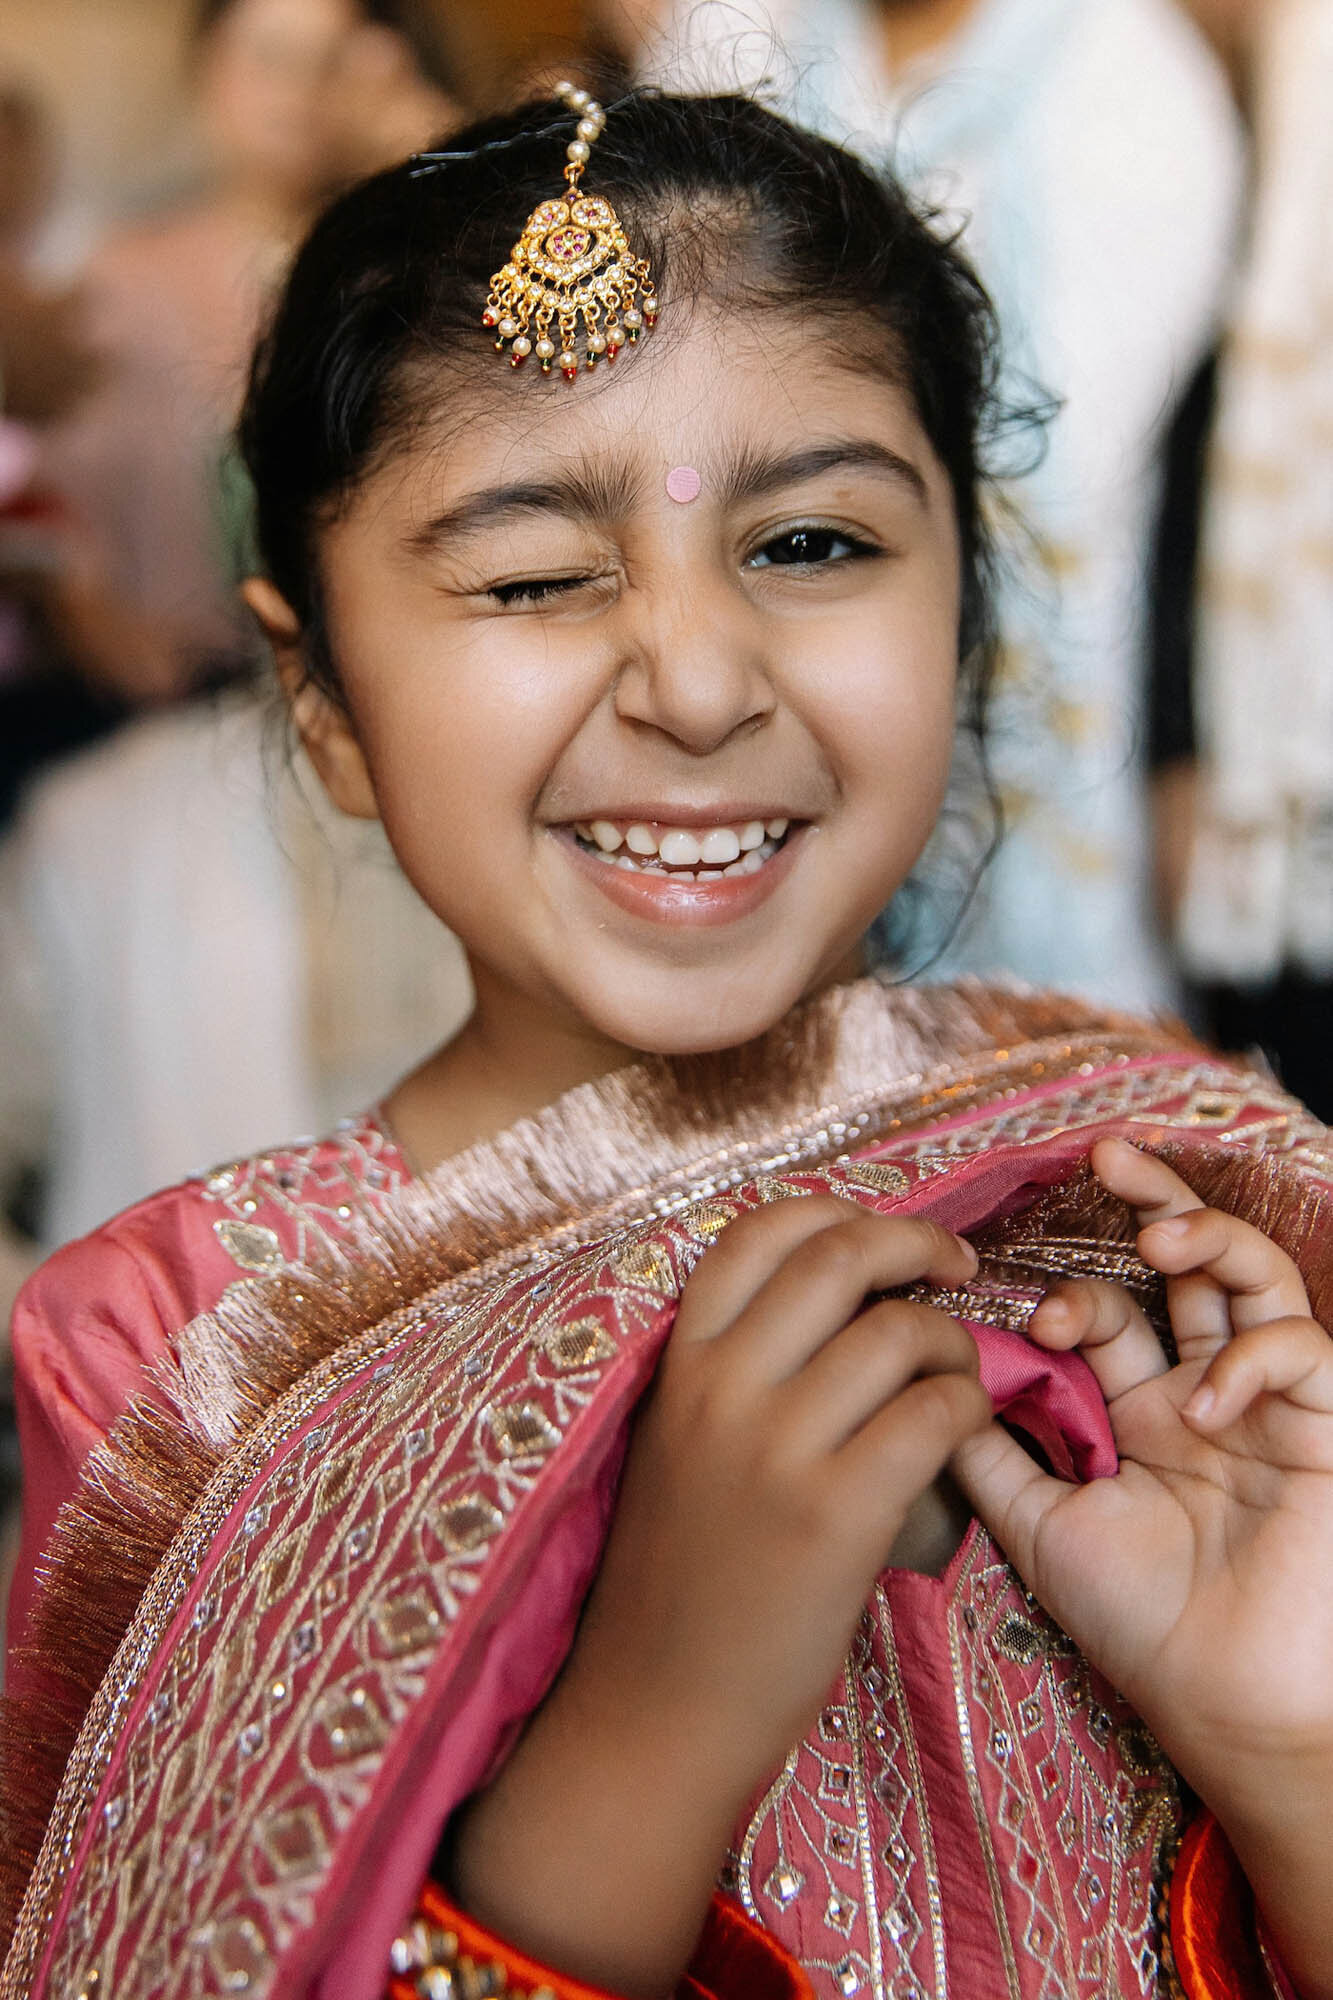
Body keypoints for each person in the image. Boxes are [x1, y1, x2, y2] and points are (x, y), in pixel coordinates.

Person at [1, 87, 1331, 2000]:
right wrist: (660, 1710)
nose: (698, 685)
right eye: (534, 576)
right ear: (329, 705)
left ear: (962, 627)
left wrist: (1286, 1753)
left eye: (807, 545)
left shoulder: (1174, 1204)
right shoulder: (190, 1361)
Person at [621, 0, 1243, 1010]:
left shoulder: (1124, 66)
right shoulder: (736, 27)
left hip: (1023, 613)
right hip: (736, 551)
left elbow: (1069, 443)